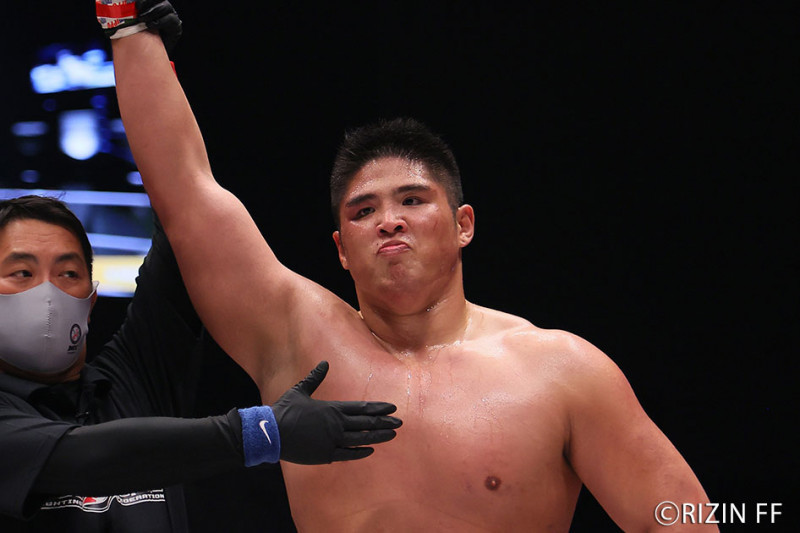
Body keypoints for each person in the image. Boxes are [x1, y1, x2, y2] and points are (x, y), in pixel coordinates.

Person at [104, 2, 717, 530]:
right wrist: (127, 24)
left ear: (463, 224)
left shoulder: (563, 371)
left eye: (413, 200)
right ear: (341, 248)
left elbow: (681, 519)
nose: (389, 221)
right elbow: (186, 191)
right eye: (364, 210)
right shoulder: (296, 338)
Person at [0, 194, 400, 532]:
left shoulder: (134, 379)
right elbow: (88, 459)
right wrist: (263, 432)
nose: (47, 295)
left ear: (90, 302)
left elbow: (180, 202)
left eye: (68, 273)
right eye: (22, 272)